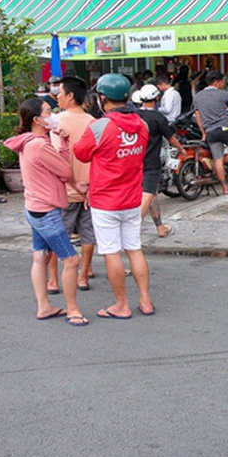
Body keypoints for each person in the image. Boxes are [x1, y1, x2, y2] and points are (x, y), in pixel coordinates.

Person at [73, 73, 155, 320]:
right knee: (134, 249)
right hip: (132, 197)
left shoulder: (99, 126)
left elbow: (81, 153)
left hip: (106, 199)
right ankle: (146, 300)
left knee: (111, 252)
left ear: (102, 98)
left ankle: (122, 305)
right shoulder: (142, 124)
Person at [4, 97, 88, 326]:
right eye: (49, 111)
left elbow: (58, 170)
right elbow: (63, 170)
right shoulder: (40, 144)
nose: (53, 115)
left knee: (40, 257)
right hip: (46, 211)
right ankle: (73, 310)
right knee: (71, 259)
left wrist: (59, 144)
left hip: (33, 207)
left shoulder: (28, 141)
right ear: (36, 119)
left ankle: (44, 306)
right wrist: (64, 145)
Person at [53, 75, 97, 290]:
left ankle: (53, 279)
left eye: (59, 93)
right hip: (90, 190)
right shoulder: (93, 123)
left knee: (57, 234)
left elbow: (55, 159)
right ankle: (83, 276)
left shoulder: (58, 122)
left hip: (65, 190)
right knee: (89, 234)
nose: (57, 96)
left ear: (70, 96)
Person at [137, 84, 186, 237]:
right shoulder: (158, 118)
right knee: (149, 194)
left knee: (153, 195)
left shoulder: (133, 115)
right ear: (156, 98)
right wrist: (181, 150)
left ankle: (160, 227)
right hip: (151, 164)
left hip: (133, 162)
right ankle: (132, 229)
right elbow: (171, 138)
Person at [192, 70, 228, 195]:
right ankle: (221, 163)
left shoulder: (198, 96)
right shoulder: (223, 94)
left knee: (217, 158)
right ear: (216, 82)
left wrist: (203, 132)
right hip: (224, 128)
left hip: (210, 131)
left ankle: (225, 188)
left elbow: (198, 116)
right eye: (222, 81)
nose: (223, 84)